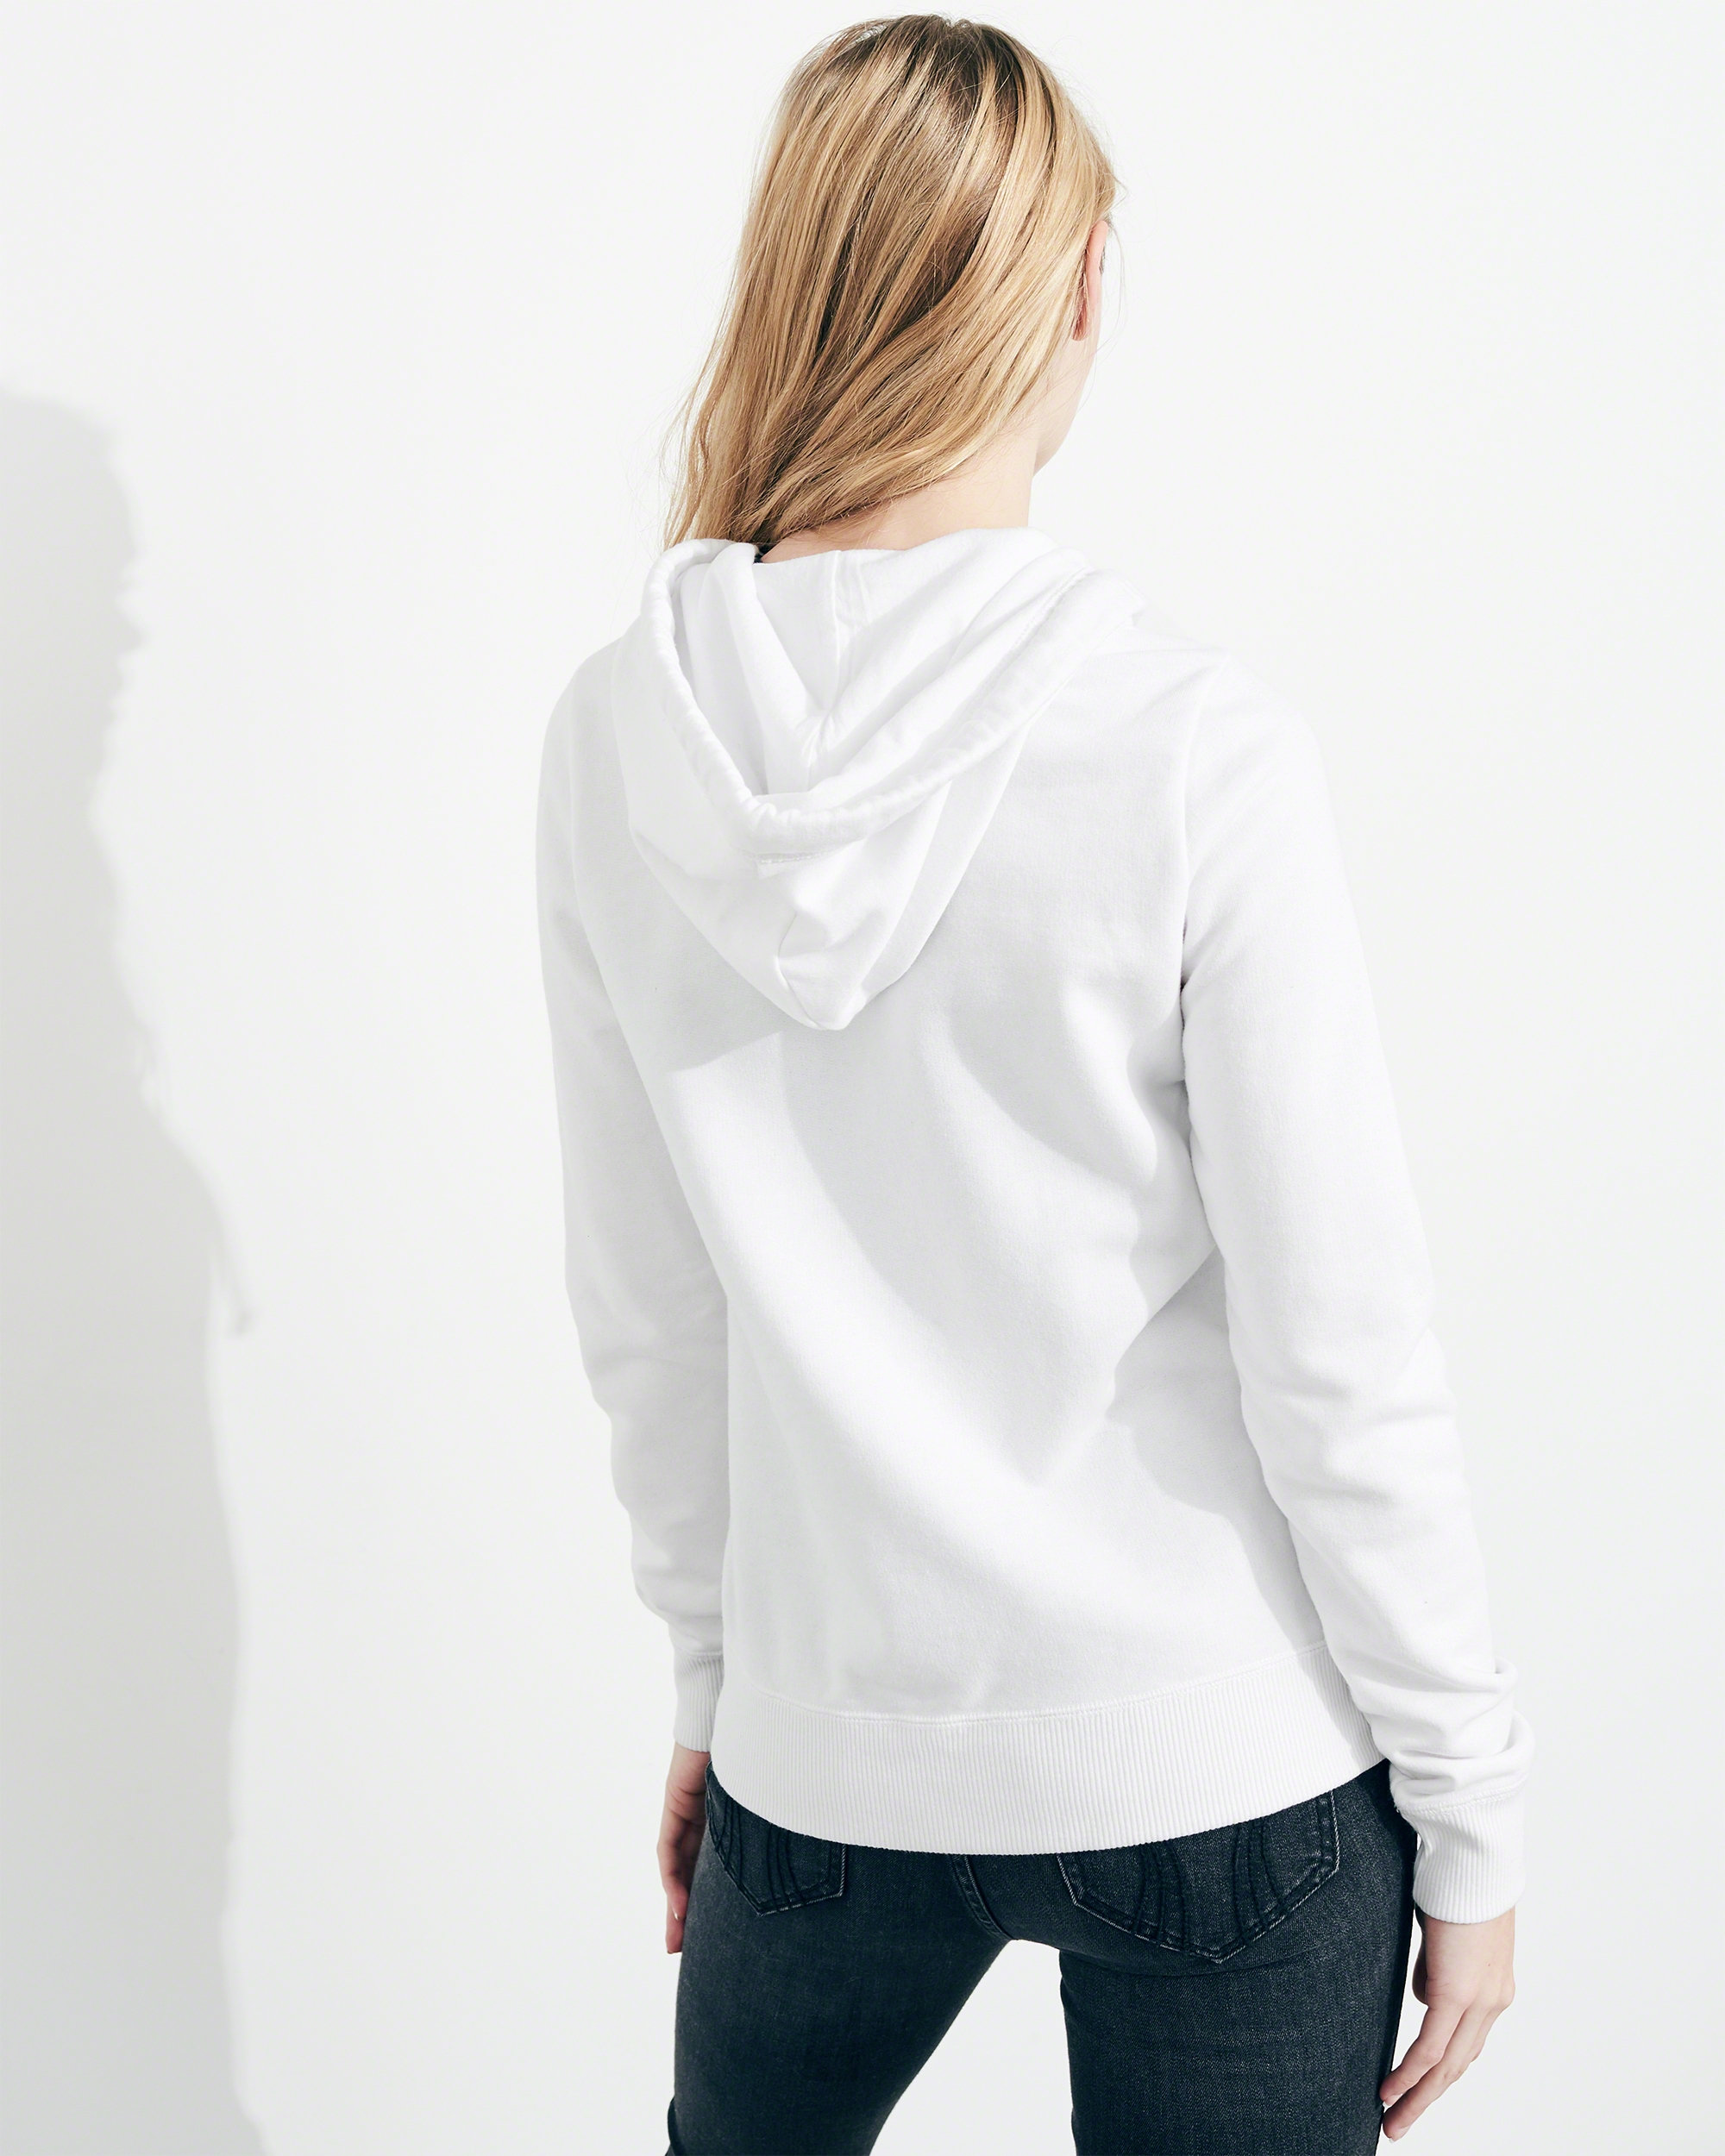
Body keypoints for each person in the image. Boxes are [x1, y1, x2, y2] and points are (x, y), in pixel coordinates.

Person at [536, 17, 1529, 2153]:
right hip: (1215, 1758)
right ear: (1079, 286)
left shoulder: (622, 736)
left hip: (821, 1751)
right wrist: (1470, 1805)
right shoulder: (1187, 745)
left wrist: (713, 1677)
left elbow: (646, 1309)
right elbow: (1339, 1348)